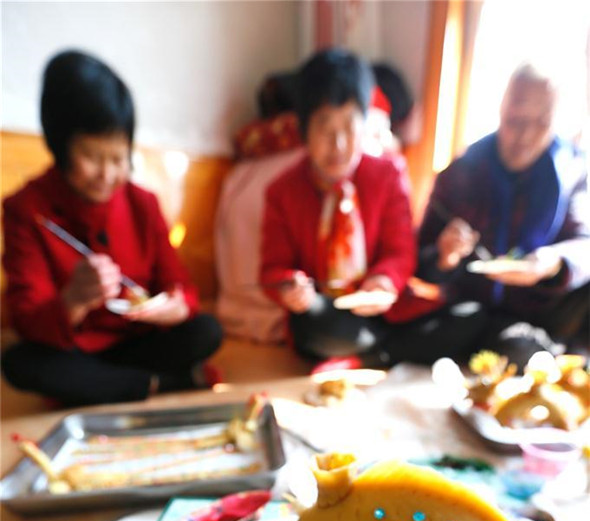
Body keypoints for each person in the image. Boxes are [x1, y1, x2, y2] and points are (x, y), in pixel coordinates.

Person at [2, 50, 223, 407]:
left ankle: (112, 387)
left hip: (138, 343)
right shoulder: (27, 210)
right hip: (72, 351)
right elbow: (27, 320)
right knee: (19, 363)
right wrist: (73, 300)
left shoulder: (142, 203)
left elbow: (180, 287)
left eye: (118, 158)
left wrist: (175, 307)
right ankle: (158, 385)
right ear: (60, 146)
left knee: (206, 330)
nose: (107, 174)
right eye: (91, 157)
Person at [260, 48, 485, 372]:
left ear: (364, 124)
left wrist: (383, 281)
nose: (338, 145)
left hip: (386, 310)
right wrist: (290, 286)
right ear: (304, 129)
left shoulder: (388, 173)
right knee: (311, 325)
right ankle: (387, 351)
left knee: (470, 317)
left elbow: (401, 251)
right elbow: (272, 269)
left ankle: (368, 355)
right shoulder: (281, 190)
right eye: (325, 128)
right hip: (329, 312)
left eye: (349, 126)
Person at [418, 63, 590, 366]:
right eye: (516, 120)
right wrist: (446, 255)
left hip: (546, 307)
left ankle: (552, 354)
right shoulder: (464, 169)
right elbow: (421, 260)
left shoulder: (573, 168)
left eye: (542, 122)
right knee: (453, 330)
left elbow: (584, 245)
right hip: (474, 308)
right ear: (501, 109)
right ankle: (546, 355)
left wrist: (552, 263)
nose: (526, 135)